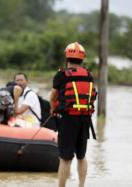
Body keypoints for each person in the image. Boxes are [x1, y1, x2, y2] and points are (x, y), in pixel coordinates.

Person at [49, 42, 97, 187]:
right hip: (85, 119)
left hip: (68, 120)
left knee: (65, 158)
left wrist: (53, 110)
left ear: (67, 58)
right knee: (81, 156)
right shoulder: (89, 75)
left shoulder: (61, 75)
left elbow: (53, 97)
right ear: (82, 59)